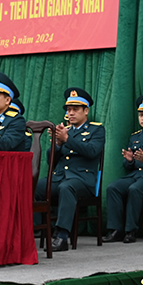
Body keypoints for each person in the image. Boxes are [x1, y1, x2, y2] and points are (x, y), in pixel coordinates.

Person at [35, 88, 105, 252]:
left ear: (86, 111)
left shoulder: (97, 130)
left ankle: (62, 237)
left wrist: (68, 139)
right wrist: (58, 145)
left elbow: (92, 151)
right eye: (68, 109)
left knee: (67, 188)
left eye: (75, 109)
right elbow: (50, 161)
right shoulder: (65, 130)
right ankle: (38, 229)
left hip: (83, 180)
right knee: (34, 186)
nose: (70, 113)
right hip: (60, 177)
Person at [104, 95, 143, 244]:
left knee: (135, 189)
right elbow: (128, 167)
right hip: (134, 175)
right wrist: (129, 160)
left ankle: (131, 231)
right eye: (141, 115)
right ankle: (115, 230)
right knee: (113, 187)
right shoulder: (135, 137)